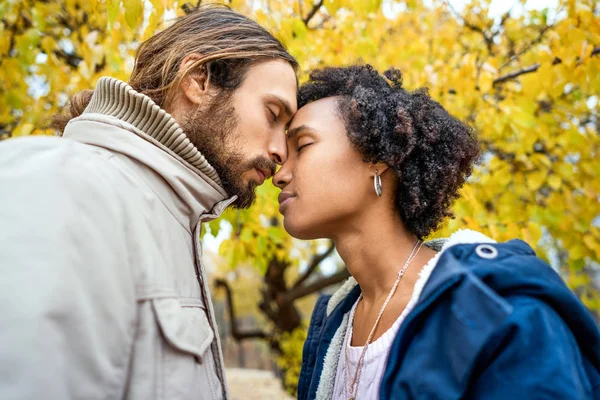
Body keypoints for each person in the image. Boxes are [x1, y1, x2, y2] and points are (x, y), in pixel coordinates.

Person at [0, 5, 297, 399]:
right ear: (198, 81)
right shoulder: (61, 183)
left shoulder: (173, 221)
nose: (280, 152)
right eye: (272, 113)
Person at [273, 65, 600, 399]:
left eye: (303, 145)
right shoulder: (331, 327)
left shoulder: (494, 308)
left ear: (377, 156)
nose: (280, 175)